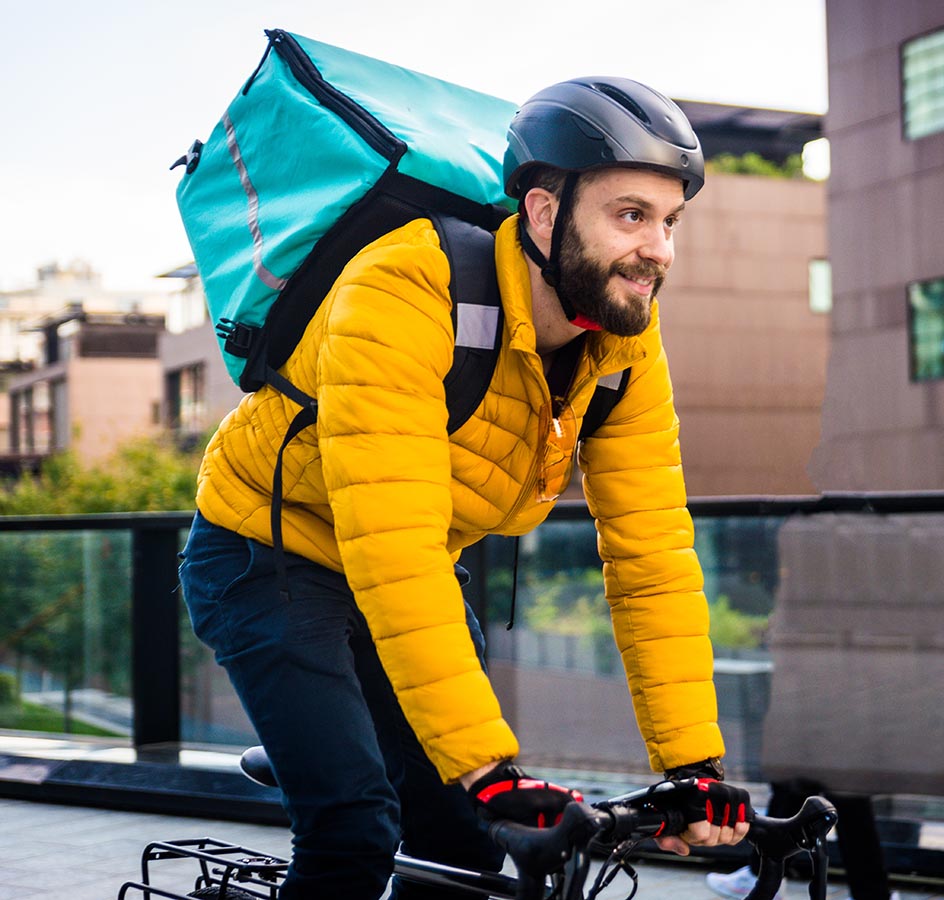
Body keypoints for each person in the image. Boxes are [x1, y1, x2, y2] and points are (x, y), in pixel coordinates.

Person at [178, 75, 754, 900]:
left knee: (461, 844)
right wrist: (490, 771)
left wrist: (692, 767)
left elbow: (652, 557)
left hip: (406, 571)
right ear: (546, 214)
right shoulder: (408, 285)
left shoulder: (625, 345)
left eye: (669, 222)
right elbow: (398, 549)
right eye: (630, 216)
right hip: (266, 554)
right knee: (354, 828)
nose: (658, 250)